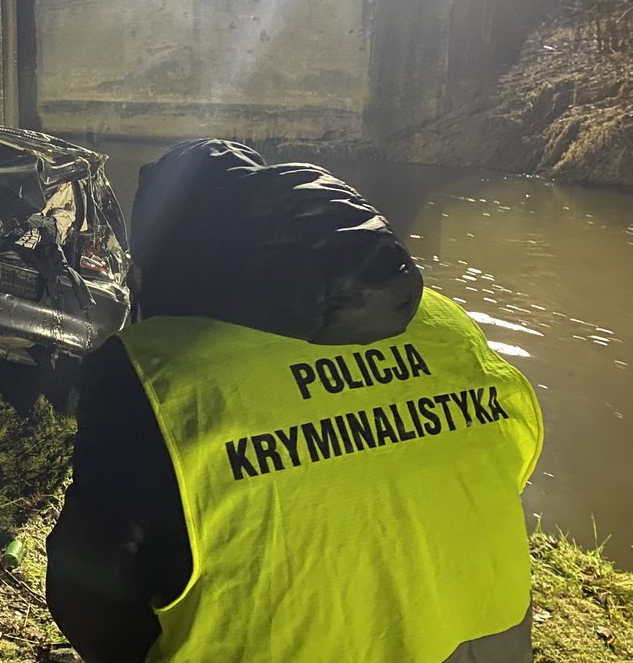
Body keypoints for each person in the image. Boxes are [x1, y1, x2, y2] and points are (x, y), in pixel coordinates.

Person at [45, 139, 544, 663]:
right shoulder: (443, 320)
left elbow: (87, 585)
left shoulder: (155, 372)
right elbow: (515, 456)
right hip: (488, 638)